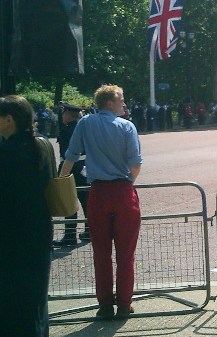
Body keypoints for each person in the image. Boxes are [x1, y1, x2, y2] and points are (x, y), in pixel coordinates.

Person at [59, 84, 143, 319]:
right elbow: (135, 164)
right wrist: (128, 182)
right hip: (123, 191)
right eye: (121, 100)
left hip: (98, 192)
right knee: (126, 254)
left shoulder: (85, 123)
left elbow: (71, 156)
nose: (123, 104)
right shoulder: (127, 126)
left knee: (101, 253)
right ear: (110, 102)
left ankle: (105, 304)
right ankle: (125, 304)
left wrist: (61, 181)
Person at [0, 95, 53, 336]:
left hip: (10, 235)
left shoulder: (6, 152)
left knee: (12, 302)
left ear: (8, 119)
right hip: (39, 231)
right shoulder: (41, 146)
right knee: (36, 299)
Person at [53, 102, 89, 246]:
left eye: (64, 113)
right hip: (83, 167)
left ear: (68, 115)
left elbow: (67, 154)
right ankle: (89, 230)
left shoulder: (68, 129)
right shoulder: (80, 128)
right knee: (86, 201)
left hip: (71, 168)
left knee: (69, 202)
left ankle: (69, 235)